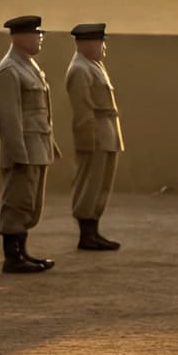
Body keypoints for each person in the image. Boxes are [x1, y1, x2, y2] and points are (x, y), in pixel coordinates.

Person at [0, 14, 60, 273]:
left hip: (37, 146)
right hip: (23, 149)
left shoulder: (28, 66)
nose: (40, 38)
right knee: (17, 202)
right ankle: (12, 257)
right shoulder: (9, 69)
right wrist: (17, 153)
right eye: (36, 34)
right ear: (19, 37)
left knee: (31, 203)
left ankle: (23, 252)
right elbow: (8, 117)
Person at [65, 23, 124, 250]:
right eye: (101, 42)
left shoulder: (93, 66)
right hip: (95, 134)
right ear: (88, 43)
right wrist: (86, 140)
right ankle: (86, 233)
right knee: (89, 183)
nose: (103, 46)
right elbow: (83, 109)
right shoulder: (80, 69)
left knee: (101, 184)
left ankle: (94, 229)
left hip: (106, 132)